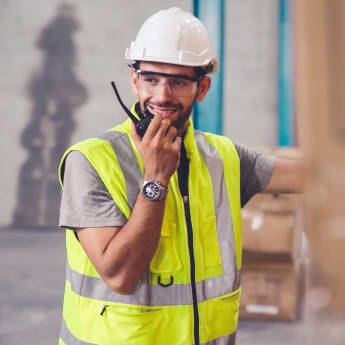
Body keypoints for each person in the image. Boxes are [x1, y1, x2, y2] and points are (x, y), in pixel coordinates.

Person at [57, 7, 301, 345]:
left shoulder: (224, 157)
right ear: (134, 80)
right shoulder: (90, 161)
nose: (162, 96)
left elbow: (313, 176)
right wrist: (156, 178)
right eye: (151, 79)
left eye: (178, 82)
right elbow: (120, 275)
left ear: (201, 88)